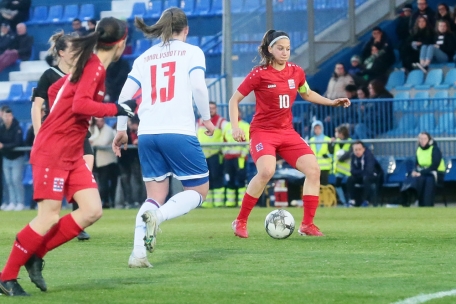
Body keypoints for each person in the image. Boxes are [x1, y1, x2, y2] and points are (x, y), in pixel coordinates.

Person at [0, 16, 137, 296]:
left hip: (72, 150)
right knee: (48, 217)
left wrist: (59, 111)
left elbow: (56, 91)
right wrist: (119, 109)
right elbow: (80, 103)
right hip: (55, 149)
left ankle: (36, 255)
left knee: (91, 210)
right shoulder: (95, 67)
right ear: (122, 43)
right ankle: (6, 277)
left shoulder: (90, 64)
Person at [111, 8, 215, 268]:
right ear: (186, 29)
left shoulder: (145, 57)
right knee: (199, 190)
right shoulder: (192, 52)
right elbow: (200, 87)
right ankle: (159, 216)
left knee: (154, 193)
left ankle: (138, 254)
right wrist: (206, 117)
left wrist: (121, 128)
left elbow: (125, 94)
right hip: (177, 130)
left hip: (147, 133)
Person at [229, 29, 350, 238]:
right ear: (270, 49)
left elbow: (307, 93)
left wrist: (331, 102)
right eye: (280, 48)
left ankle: (307, 225)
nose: (285, 53)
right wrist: (235, 126)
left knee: (313, 170)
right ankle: (240, 221)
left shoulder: (296, 71)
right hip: (262, 132)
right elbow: (234, 100)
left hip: (286, 132)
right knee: (266, 171)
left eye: (288, 49)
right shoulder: (260, 73)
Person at [31, 31, 92, 241]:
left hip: (81, 134)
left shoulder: (82, 74)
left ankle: (79, 223)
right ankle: (48, 219)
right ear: (61, 53)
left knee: (85, 177)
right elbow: (37, 105)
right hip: (58, 135)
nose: (77, 52)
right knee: (65, 180)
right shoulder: (49, 75)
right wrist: (39, 134)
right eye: (73, 49)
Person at [399, 132, 445, 207]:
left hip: (436, 173)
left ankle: (426, 203)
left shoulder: (435, 149)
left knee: (427, 179)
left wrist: (421, 172)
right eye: (421, 139)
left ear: (429, 140)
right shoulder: (418, 150)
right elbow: (417, 164)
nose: (422, 141)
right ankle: (407, 198)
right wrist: (415, 171)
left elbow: (434, 166)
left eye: (424, 139)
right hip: (423, 172)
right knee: (412, 177)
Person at [197, 101, 226, 208]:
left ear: (216, 109)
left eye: (213, 108)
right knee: (205, 179)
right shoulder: (199, 121)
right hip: (202, 155)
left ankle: (218, 203)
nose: (210, 110)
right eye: (209, 108)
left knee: (217, 177)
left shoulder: (220, 121)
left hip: (215, 154)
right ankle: (206, 202)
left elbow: (227, 134)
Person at [222, 107, 250, 207]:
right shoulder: (227, 126)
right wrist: (226, 153)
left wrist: (243, 154)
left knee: (241, 180)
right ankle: (230, 203)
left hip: (240, 158)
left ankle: (242, 203)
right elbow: (223, 142)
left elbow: (248, 142)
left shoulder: (245, 125)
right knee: (230, 180)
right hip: (228, 158)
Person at [90, 117, 118, 209]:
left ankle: (109, 202)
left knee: (107, 183)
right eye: (97, 121)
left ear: (104, 121)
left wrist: (92, 142)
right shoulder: (95, 130)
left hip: (108, 161)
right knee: (102, 183)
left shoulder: (108, 130)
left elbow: (103, 142)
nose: (98, 123)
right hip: (99, 162)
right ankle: (105, 201)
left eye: (100, 121)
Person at [0, 106, 24, 211]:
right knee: (8, 181)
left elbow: (17, 142)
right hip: (6, 157)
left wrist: (4, 146)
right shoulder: (1, 128)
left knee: (16, 180)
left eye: (9, 116)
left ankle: (20, 202)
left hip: (17, 157)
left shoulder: (17, 127)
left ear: (12, 116)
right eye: (5, 116)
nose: (7, 118)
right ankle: (12, 202)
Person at [346, 141, 383, 207]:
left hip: (374, 176)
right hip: (361, 175)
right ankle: (352, 200)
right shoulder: (353, 156)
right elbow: (352, 171)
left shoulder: (369, 156)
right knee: (350, 179)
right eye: (355, 150)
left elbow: (369, 171)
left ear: (364, 149)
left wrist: (358, 172)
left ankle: (366, 201)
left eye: (359, 149)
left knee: (366, 179)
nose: (357, 152)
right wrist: (360, 172)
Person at [331, 124, 352, 207]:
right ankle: (343, 201)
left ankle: (350, 201)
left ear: (341, 133)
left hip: (348, 169)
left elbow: (350, 153)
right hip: (339, 169)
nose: (335, 134)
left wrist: (341, 158)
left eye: (337, 132)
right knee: (337, 184)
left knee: (349, 185)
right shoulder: (336, 141)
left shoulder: (350, 141)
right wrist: (330, 144)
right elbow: (331, 151)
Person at [309, 120, 332, 186]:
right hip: (314, 167)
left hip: (325, 167)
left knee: (324, 186)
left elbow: (332, 153)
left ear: (322, 128)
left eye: (319, 128)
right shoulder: (311, 140)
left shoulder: (328, 139)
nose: (317, 130)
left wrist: (327, 155)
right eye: (315, 128)